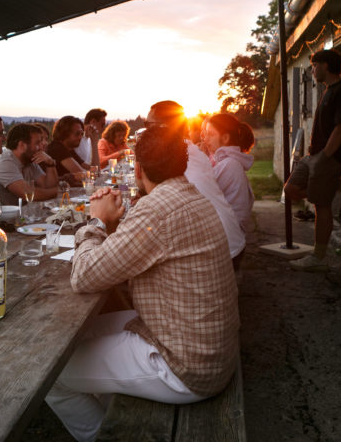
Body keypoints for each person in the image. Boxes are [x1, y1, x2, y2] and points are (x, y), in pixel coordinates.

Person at [45, 126, 240, 441]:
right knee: (69, 342)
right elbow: (143, 247)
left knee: (51, 375)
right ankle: (115, 404)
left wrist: (94, 221)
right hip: (203, 344)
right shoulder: (189, 195)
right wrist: (115, 223)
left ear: (137, 167)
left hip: (187, 366)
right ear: (182, 163)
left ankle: (103, 434)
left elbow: (84, 277)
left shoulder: (156, 209)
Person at [146, 101, 246, 269]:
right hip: (229, 240)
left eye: (149, 125)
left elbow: (157, 205)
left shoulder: (177, 158)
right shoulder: (188, 150)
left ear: (164, 127)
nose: (146, 131)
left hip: (222, 250)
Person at [283, 48, 341, 271]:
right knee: (290, 190)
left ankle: (318, 257)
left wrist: (324, 158)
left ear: (325, 66)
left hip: (328, 158)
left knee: (321, 204)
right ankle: (339, 186)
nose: (312, 70)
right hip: (315, 156)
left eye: (314, 65)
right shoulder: (328, 91)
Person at [202, 113, 255, 234]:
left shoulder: (229, 164)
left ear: (225, 138)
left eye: (210, 134)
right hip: (228, 229)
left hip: (230, 234)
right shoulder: (226, 162)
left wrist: (197, 160)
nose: (205, 139)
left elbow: (199, 192)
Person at [0, 123, 59, 205]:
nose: (42, 146)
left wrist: (50, 163)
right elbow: (30, 195)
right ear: (22, 145)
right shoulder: (4, 162)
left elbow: (48, 186)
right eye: (37, 143)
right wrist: (59, 191)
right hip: (0, 216)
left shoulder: (29, 159)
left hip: (21, 215)